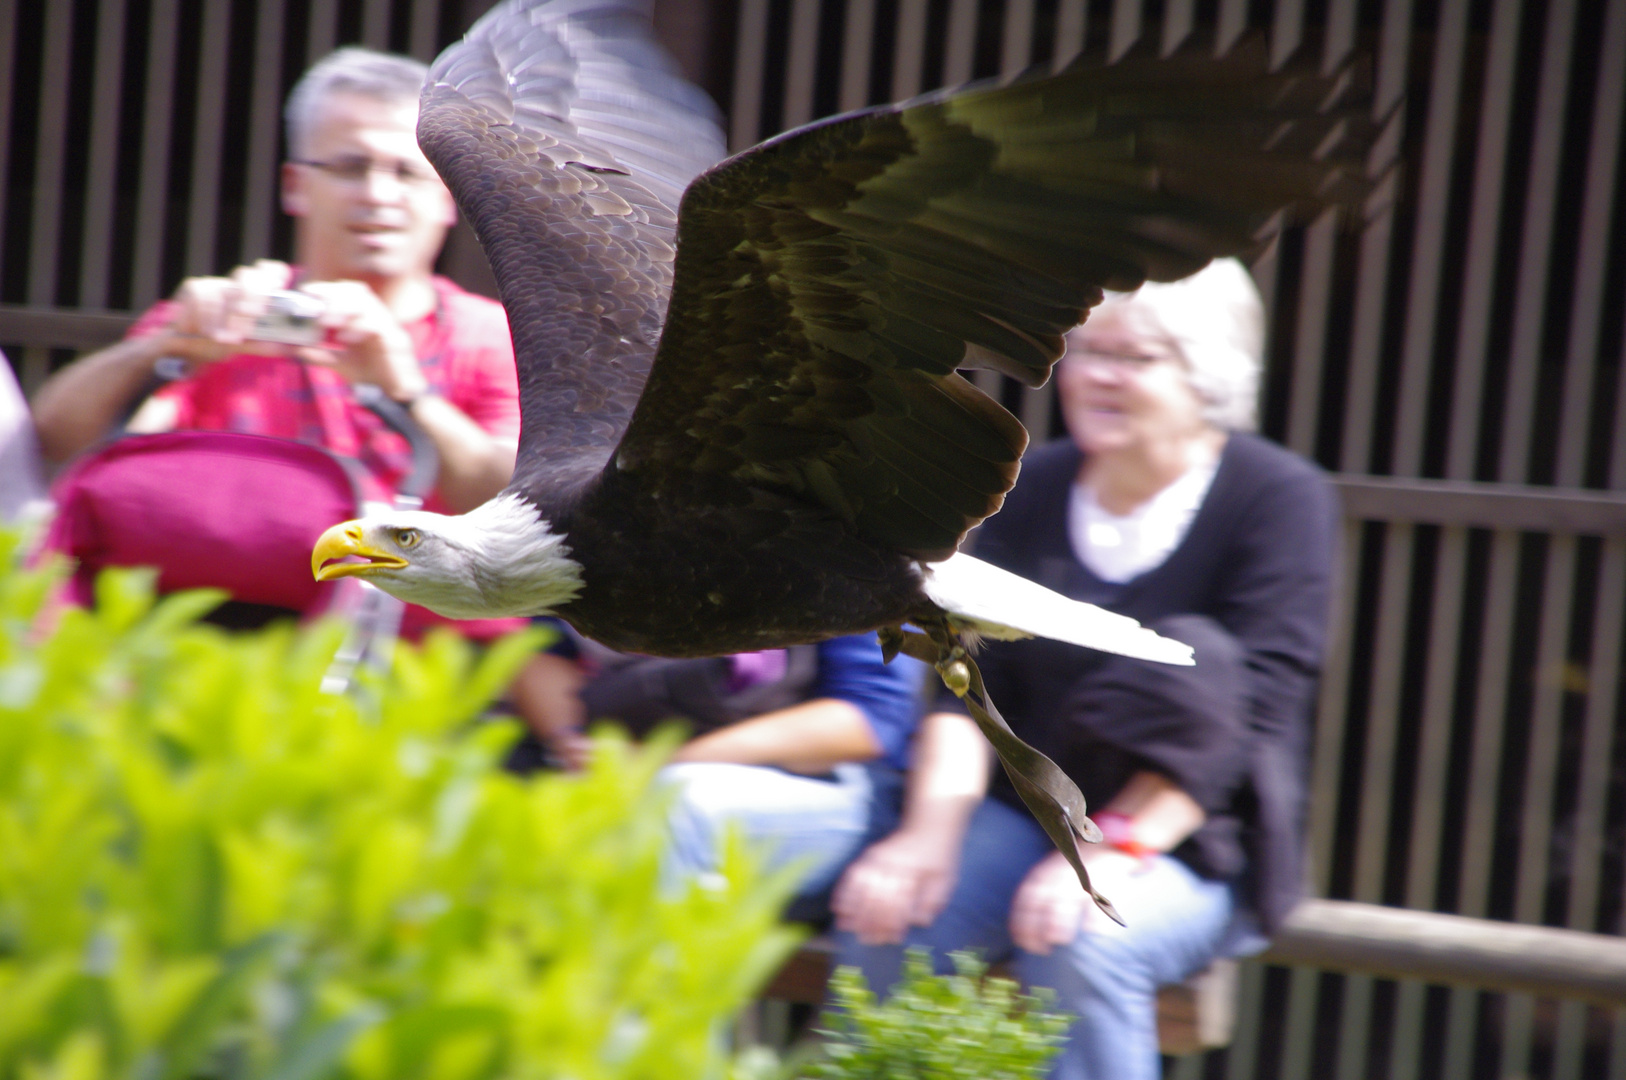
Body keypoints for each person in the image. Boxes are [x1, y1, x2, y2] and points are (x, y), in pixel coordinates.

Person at [829, 259, 1337, 1080]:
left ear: (1209, 373)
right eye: (1087, 350)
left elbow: (1260, 709)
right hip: (1022, 811)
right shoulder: (1034, 485)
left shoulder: (1277, 497)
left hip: (1191, 836)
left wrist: (1117, 852)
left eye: (1134, 358)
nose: (1096, 376)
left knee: (1087, 938)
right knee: (889, 917)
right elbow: (958, 682)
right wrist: (926, 836)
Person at [31, 47, 518, 522]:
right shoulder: (228, 316)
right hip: (221, 596)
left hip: (416, 603)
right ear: (294, 186)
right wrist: (164, 348)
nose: (378, 194)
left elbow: (518, 509)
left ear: (448, 196)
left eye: (408, 173)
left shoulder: (494, 336)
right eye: (351, 167)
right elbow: (58, 441)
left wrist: (407, 395)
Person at [511, 627, 925, 919]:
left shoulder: (847, 549)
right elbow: (544, 647)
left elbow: (866, 723)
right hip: (622, 758)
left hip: (826, 788)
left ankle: (648, 1036)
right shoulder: (607, 526)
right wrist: (572, 743)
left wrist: (657, 760)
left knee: (676, 803)